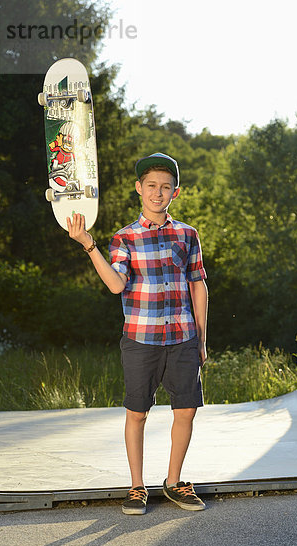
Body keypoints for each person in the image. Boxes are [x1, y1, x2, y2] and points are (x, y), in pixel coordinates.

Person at [67, 152, 208, 515]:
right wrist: (88, 244)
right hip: (140, 339)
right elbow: (116, 285)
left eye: (165, 187)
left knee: (186, 410)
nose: (157, 193)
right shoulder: (123, 238)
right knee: (137, 413)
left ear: (175, 192)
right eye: (151, 187)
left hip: (182, 337)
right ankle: (136, 486)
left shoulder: (187, 235)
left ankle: (175, 482)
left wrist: (202, 339)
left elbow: (198, 286)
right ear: (138, 189)